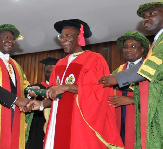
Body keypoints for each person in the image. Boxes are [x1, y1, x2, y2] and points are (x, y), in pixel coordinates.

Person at [28, 19, 124, 149]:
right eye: (61, 36)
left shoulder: (95, 59)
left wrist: (66, 87)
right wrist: (41, 104)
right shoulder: (59, 64)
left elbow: (98, 90)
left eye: (68, 35)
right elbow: (55, 96)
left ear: (80, 37)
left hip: (80, 122)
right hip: (58, 122)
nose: (63, 40)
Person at [98, 1, 163, 148]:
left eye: (151, 14)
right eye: (144, 16)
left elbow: (155, 66)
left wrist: (119, 81)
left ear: (142, 51)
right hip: (122, 118)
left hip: (144, 114)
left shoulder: (153, 54)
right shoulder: (121, 68)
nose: (146, 19)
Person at [110, 31, 150, 149]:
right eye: (125, 47)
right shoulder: (118, 71)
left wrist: (132, 100)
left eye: (133, 46)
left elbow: (157, 94)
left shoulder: (149, 69)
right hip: (118, 117)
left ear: (142, 49)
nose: (128, 50)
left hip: (139, 116)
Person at [26, 57, 59, 149]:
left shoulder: (61, 89)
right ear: (44, 73)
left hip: (57, 126)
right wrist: (30, 94)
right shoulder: (37, 87)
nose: (51, 74)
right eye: (48, 71)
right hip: (39, 127)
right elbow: (25, 95)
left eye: (54, 71)